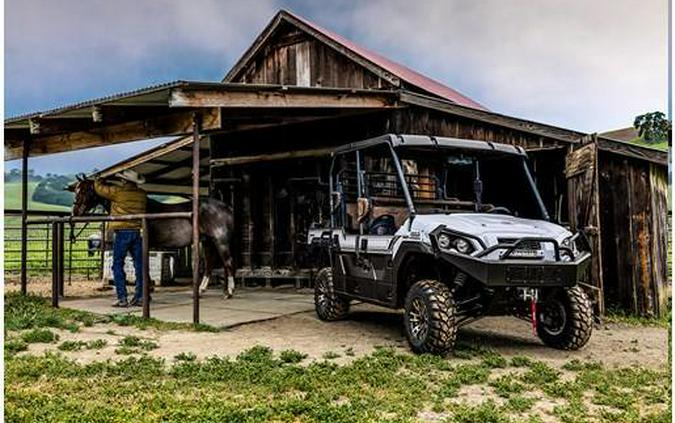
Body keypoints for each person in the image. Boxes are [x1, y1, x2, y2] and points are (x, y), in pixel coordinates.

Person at [94, 170, 148, 307]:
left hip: (122, 232)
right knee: (139, 265)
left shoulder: (118, 192)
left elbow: (100, 190)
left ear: (124, 181)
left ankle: (122, 297)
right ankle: (140, 296)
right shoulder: (142, 194)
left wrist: (98, 179)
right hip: (138, 231)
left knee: (117, 264)